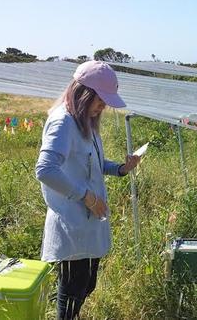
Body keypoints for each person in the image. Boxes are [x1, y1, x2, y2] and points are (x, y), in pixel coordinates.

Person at [35, 61, 141, 319]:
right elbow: (46, 169)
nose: (102, 106)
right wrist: (87, 196)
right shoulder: (63, 123)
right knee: (71, 292)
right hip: (71, 222)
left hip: (87, 221)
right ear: (83, 92)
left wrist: (120, 169)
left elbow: (91, 162)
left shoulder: (84, 122)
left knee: (85, 285)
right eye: (100, 99)